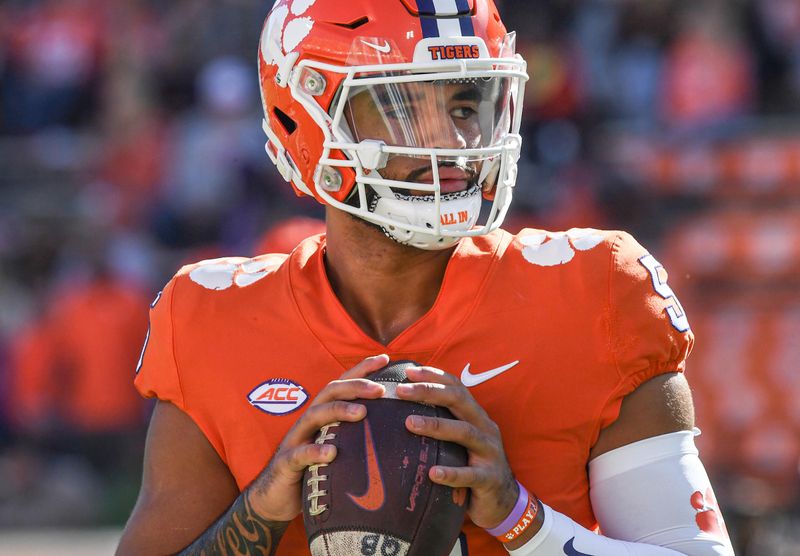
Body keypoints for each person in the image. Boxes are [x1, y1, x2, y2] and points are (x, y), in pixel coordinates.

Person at [118, 1, 736, 555]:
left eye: (466, 104)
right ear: (302, 117)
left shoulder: (596, 290)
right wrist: (259, 512)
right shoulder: (213, 315)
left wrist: (520, 518)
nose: (455, 141)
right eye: (400, 104)